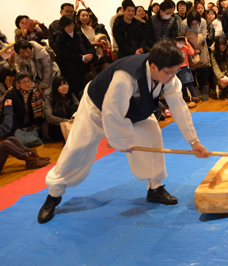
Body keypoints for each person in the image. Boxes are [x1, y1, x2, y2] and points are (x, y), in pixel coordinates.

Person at [37, 41, 210, 224]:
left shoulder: (167, 75)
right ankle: (54, 194)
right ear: (153, 67)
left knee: (152, 134)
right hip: (97, 107)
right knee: (77, 149)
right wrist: (123, 142)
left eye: (175, 72)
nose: (173, 76)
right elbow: (112, 112)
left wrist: (193, 141)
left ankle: (155, 188)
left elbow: (179, 108)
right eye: (169, 73)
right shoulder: (126, 76)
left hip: (135, 111)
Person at [55, 15, 98, 97]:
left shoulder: (79, 34)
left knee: (87, 89)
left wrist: (88, 55)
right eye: (68, 25)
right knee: (76, 92)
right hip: (71, 70)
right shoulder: (60, 38)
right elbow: (65, 55)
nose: (71, 27)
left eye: (72, 25)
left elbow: (89, 46)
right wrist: (82, 58)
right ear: (63, 26)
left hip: (85, 67)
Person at [0, 72, 44, 138]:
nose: (28, 84)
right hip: (14, 126)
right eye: (24, 82)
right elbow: (9, 115)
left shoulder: (34, 91)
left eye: (29, 81)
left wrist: (35, 124)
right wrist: (19, 127)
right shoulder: (11, 93)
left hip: (30, 125)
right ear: (17, 83)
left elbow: (38, 111)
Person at [43, 76, 79, 142]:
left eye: (66, 84)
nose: (65, 87)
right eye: (61, 85)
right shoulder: (49, 98)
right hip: (56, 129)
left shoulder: (71, 95)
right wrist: (66, 121)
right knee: (58, 112)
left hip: (71, 124)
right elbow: (49, 117)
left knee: (75, 107)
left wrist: (73, 119)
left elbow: (79, 107)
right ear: (55, 87)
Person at [174, 34, 198, 107]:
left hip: (185, 67)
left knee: (189, 83)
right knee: (181, 85)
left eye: (182, 41)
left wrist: (187, 43)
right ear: (176, 41)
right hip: (177, 68)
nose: (181, 43)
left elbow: (192, 52)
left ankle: (194, 98)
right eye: (179, 41)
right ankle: (185, 99)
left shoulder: (185, 47)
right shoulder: (174, 49)